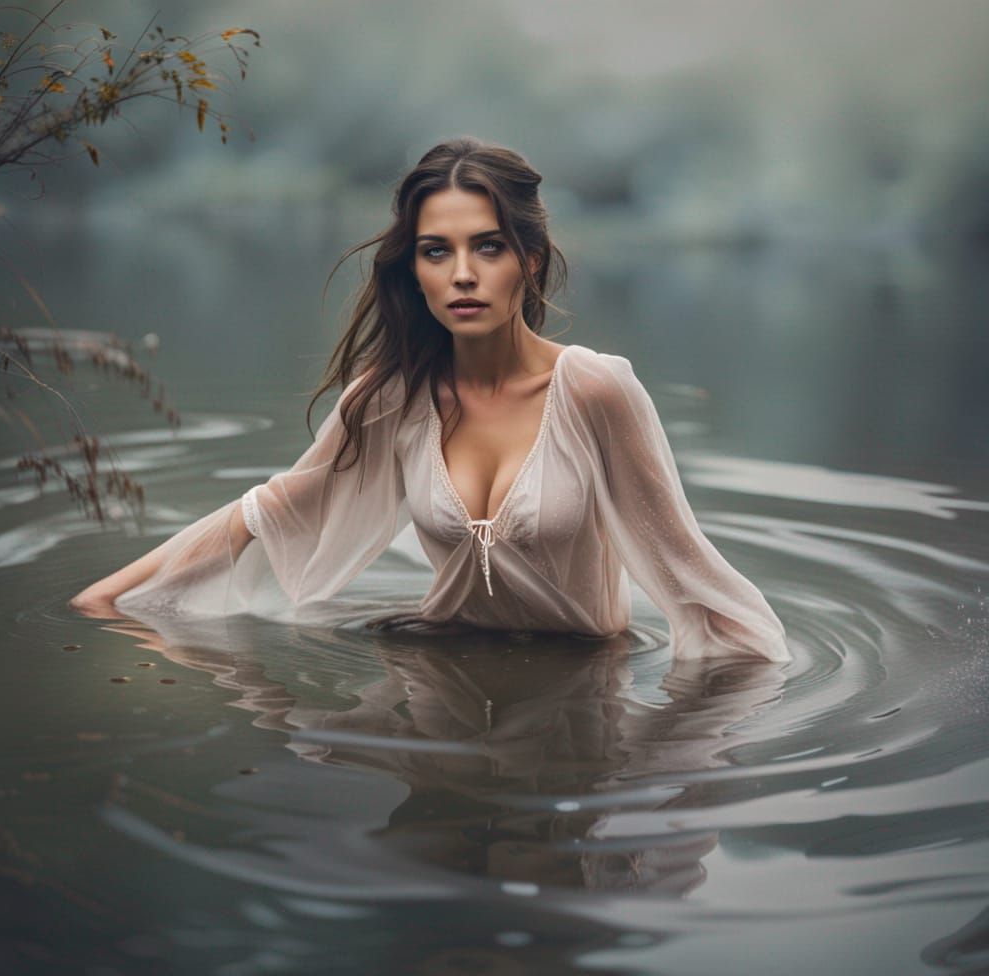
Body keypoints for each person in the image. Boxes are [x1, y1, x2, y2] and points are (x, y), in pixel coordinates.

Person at [69, 137, 791, 663]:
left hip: (582, 692)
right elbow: (269, 512)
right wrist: (102, 602)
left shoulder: (596, 391)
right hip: (434, 676)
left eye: (489, 247)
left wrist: (689, 770)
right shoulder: (391, 399)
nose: (463, 275)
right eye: (437, 251)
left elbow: (693, 578)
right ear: (413, 270)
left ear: (529, 260)